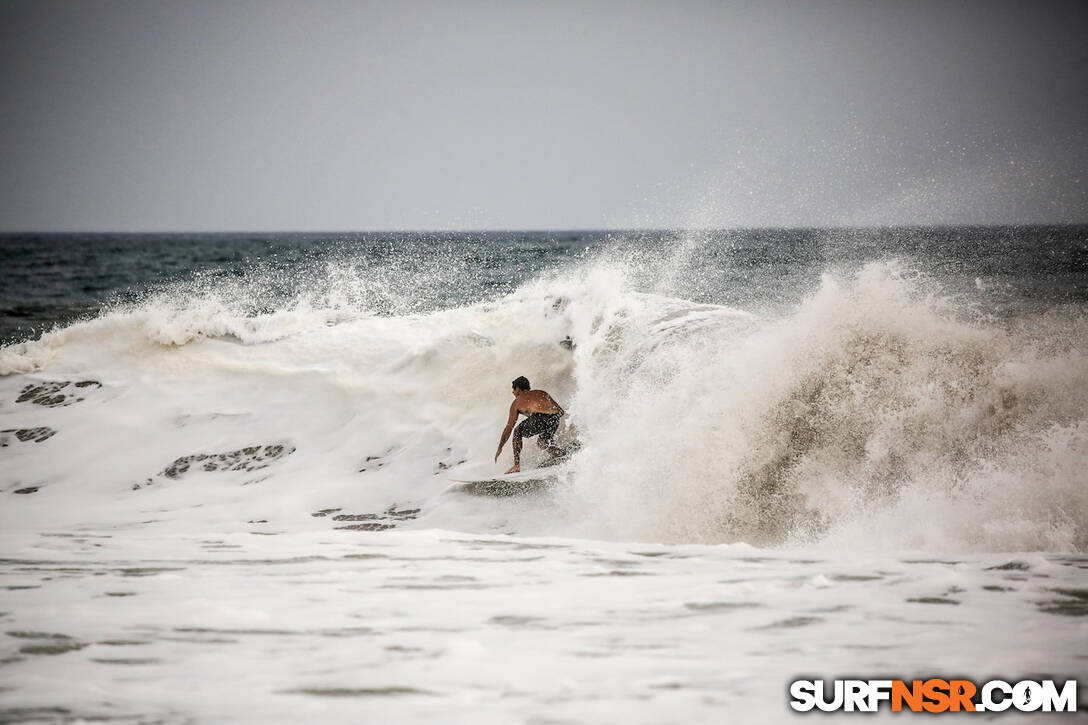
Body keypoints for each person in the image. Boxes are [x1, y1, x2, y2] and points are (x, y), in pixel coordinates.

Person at [494, 376, 567, 474]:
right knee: (542, 443)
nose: (513, 392)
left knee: (517, 431)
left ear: (518, 389)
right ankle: (563, 455)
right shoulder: (542, 393)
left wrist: (500, 448)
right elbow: (561, 411)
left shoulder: (517, 402)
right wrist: (548, 421)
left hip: (538, 417)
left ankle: (516, 466)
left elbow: (509, 428)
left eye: (513, 389)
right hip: (554, 417)